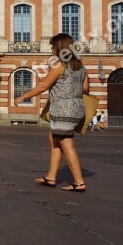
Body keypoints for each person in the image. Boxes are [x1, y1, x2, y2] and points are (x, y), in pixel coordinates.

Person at [15, 33, 89, 192]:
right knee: (53, 138)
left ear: (59, 47)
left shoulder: (59, 66)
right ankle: (51, 177)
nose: (51, 49)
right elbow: (85, 89)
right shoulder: (81, 67)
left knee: (67, 144)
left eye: (53, 46)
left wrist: (22, 97)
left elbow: (43, 86)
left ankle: (79, 182)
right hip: (76, 108)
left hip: (63, 109)